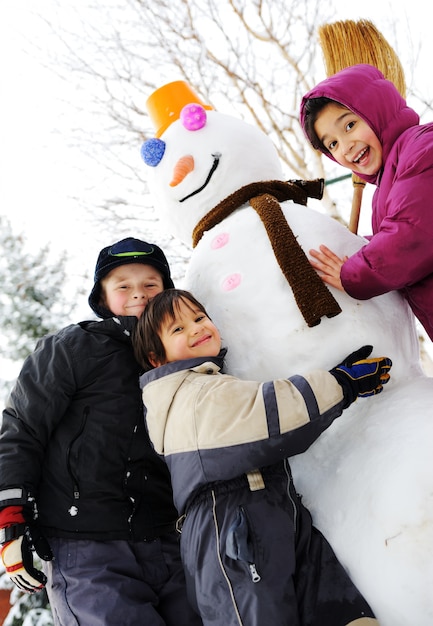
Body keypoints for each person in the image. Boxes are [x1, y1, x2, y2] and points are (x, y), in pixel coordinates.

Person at [133, 288, 392, 626]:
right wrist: (341, 383)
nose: (196, 328)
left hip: (270, 511)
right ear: (157, 358)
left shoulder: (209, 384)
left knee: (339, 610)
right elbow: (270, 411)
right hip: (230, 527)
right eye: (178, 329)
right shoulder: (188, 395)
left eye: (199, 318)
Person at [0, 238, 203, 626]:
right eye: (122, 286)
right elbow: (23, 430)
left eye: (150, 285)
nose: (138, 295)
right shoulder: (72, 348)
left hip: (170, 540)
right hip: (87, 546)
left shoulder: (185, 355)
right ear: (102, 296)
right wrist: (12, 518)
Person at [299, 63, 433, 341]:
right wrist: (353, 248)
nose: (345, 147)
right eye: (332, 144)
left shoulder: (422, 146)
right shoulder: (388, 183)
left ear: (379, 110)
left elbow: (414, 232)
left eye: (350, 125)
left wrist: (355, 273)